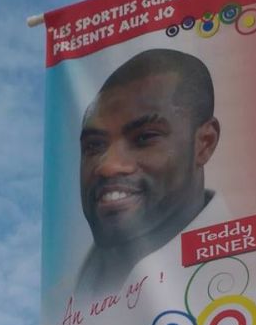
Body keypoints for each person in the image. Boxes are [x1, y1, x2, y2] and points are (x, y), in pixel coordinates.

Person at [76, 48, 221, 296]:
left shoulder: (239, 272)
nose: (108, 166)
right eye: (94, 146)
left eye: (144, 138)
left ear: (204, 143)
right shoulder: (61, 302)